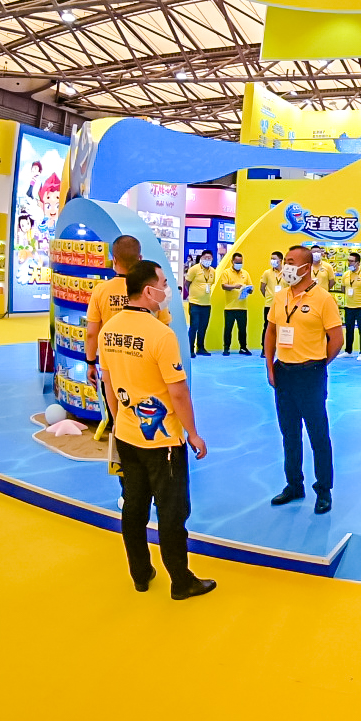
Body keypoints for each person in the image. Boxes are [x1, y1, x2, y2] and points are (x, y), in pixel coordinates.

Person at [97, 259, 216, 601]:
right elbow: (177, 391)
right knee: (171, 511)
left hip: (127, 434)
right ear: (148, 291)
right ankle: (181, 580)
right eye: (163, 283)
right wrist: (193, 433)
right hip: (163, 441)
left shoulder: (109, 330)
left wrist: (119, 419)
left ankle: (140, 572)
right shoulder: (161, 335)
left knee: (133, 506)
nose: (168, 290)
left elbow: (108, 383)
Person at [264, 246, 341, 512]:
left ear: (306, 267)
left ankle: (324, 489)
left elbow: (337, 339)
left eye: (291, 261)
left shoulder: (323, 299)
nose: (285, 266)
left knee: (318, 434)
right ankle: (294, 485)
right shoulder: (280, 296)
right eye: (285, 261)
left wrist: (318, 363)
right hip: (283, 374)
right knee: (289, 433)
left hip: (310, 375)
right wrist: (270, 366)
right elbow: (271, 332)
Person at [339, 253, 361, 359]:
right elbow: (343, 288)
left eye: (351, 261)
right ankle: (348, 351)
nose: (349, 263)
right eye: (348, 260)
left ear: (358, 263)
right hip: (349, 306)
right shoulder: (346, 274)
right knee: (349, 329)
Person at [184, 251, 216, 356]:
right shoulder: (194, 269)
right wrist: (192, 294)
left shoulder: (213, 271)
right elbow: (187, 284)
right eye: (205, 257)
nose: (207, 260)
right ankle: (190, 349)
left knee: (203, 327)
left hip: (206, 304)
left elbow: (210, 285)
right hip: (195, 303)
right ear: (201, 258)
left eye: (209, 258)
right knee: (194, 326)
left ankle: (200, 348)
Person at [222, 252, 254, 354]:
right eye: (237, 262)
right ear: (232, 261)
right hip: (230, 307)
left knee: (242, 329)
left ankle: (243, 347)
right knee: (228, 329)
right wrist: (235, 286)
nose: (239, 264)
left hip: (242, 306)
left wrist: (249, 290)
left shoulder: (245, 273)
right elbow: (224, 286)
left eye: (240, 262)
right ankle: (226, 348)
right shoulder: (226, 272)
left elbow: (250, 286)